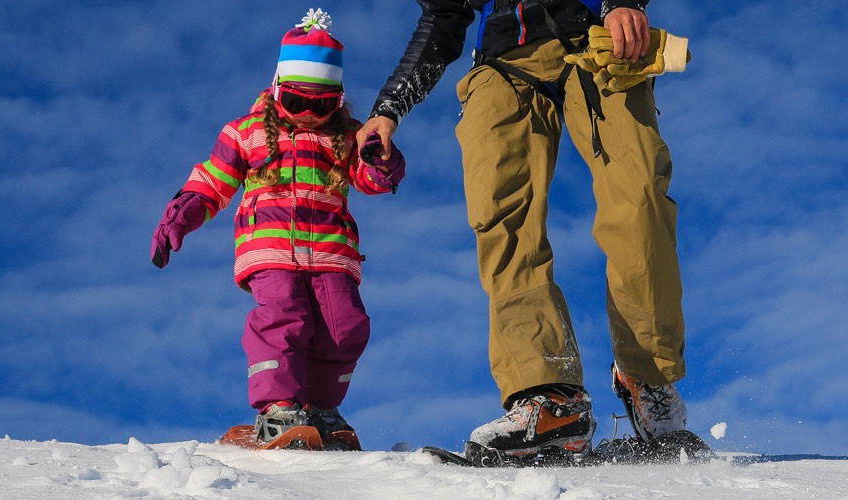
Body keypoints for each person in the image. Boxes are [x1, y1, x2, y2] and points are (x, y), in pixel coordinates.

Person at [359, 0, 698, 462]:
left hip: (597, 39)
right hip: (502, 61)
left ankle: (648, 376)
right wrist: (388, 108)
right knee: (502, 220)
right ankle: (550, 394)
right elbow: (443, 15)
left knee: (639, 197)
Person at [149, 9, 405, 451]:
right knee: (284, 320)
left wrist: (381, 159)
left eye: (321, 105)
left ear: (338, 101)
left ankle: (321, 409)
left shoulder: (345, 137)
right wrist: (182, 213)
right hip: (268, 250)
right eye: (297, 102)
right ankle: (279, 407)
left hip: (333, 254)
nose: (308, 113)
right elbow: (212, 180)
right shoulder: (245, 132)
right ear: (276, 89)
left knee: (346, 328)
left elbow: (371, 180)